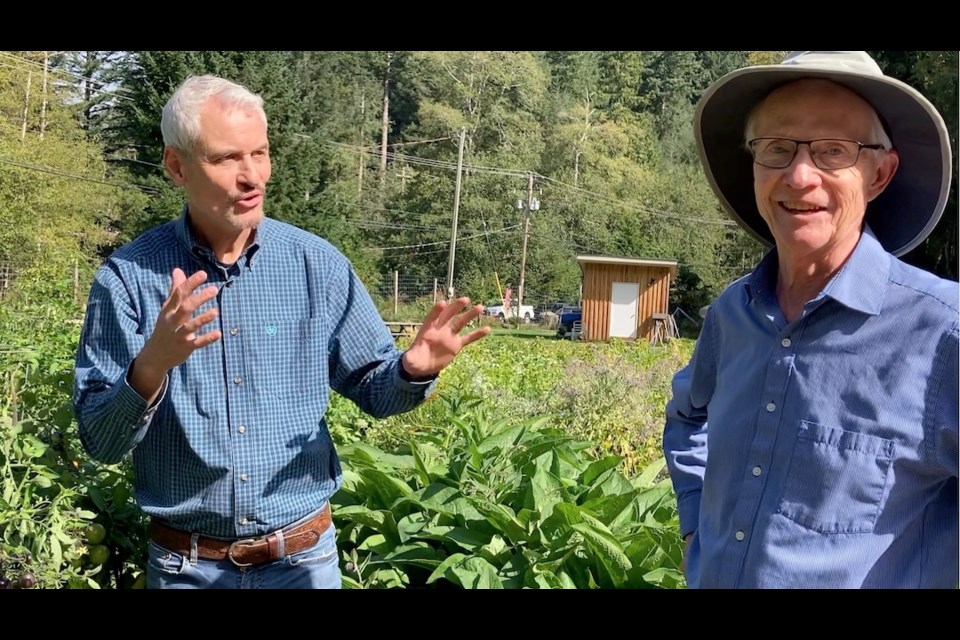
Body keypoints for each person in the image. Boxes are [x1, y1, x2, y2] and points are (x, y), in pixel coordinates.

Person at [73, 75, 491, 589]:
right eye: (227, 158)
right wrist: (152, 364)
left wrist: (411, 369)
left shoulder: (317, 266)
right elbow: (100, 441)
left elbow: (376, 392)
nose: (253, 177)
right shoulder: (130, 279)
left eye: (260, 153)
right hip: (187, 569)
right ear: (177, 166)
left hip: (302, 563)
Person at [663, 51, 958, 588]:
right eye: (776, 149)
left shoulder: (943, 332)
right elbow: (687, 419)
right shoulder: (732, 314)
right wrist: (694, 532)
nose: (800, 177)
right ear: (754, 166)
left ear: (879, 173)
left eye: (832, 152)